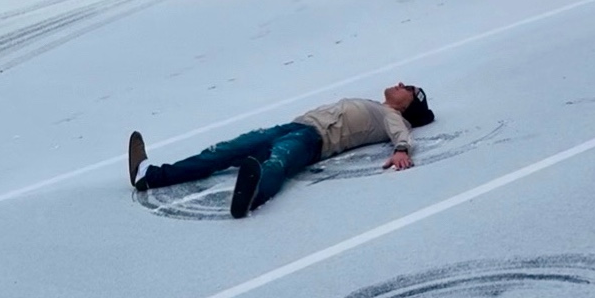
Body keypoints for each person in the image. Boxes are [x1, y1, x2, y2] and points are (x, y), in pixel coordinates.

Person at [128, 83, 434, 219]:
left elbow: (401, 134)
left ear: (408, 103)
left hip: (313, 140)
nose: (399, 84)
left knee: (278, 163)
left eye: (406, 88)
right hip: (291, 127)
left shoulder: (392, 116)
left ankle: (252, 195)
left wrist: (402, 150)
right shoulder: (379, 107)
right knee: (220, 152)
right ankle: (149, 176)